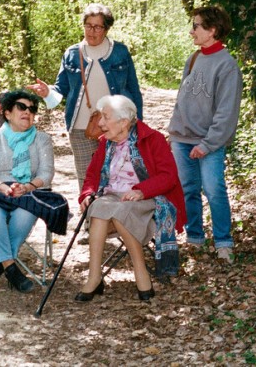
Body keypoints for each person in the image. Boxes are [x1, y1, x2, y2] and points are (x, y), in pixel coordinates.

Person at [76, 95, 186, 302]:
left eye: (105, 118)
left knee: (120, 211)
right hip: (112, 198)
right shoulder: (105, 144)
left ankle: (139, 271)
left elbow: (168, 177)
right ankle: (94, 276)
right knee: (99, 207)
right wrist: (87, 194)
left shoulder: (153, 139)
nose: (99, 123)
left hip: (146, 198)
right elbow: (91, 176)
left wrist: (142, 190)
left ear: (123, 122)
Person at [0, 90, 69, 293]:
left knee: (24, 214)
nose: (27, 112)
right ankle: (11, 269)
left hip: (28, 192)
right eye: (22, 107)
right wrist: (3, 187)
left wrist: (27, 187)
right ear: (8, 113)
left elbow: (46, 173)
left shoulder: (42, 139)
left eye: (32, 109)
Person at [27, 4, 143, 189]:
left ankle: (113, 217)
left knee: (118, 179)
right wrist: (47, 92)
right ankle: (90, 217)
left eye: (97, 27)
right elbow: (61, 89)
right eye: (88, 25)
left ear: (106, 29)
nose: (91, 31)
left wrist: (138, 124)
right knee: (87, 180)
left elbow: (133, 89)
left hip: (117, 127)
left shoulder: (120, 52)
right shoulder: (72, 54)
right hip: (81, 129)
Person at [167, 6, 242, 263]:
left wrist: (208, 144)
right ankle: (195, 238)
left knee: (214, 190)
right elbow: (183, 98)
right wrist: (175, 132)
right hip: (181, 139)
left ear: (212, 30)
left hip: (209, 141)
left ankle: (223, 242)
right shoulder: (194, 58)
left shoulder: (227, 65)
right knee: (188, 189)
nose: (192, 31)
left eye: (196, 26)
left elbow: (227, 112)